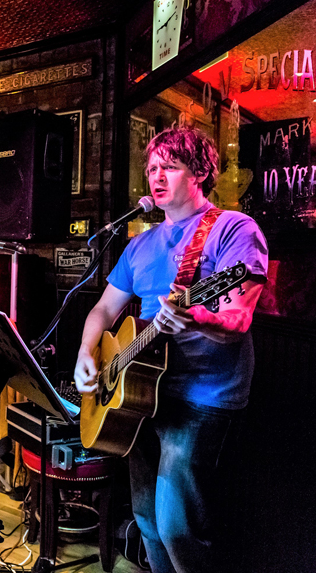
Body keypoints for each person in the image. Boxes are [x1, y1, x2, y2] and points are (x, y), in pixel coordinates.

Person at [73, 127, 268, 573]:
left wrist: (196, 317)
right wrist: (88, 351)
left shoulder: (235, 229)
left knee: (178, 526)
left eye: (170, 167)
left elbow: (238, 319)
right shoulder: (139, 243)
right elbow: (103, 310)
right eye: (152, 168)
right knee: (146, 520)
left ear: (200, 172)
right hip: (137, 390)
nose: (156, 177)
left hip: (202, 394)